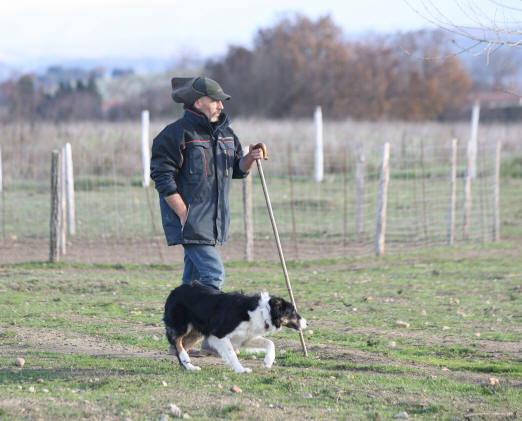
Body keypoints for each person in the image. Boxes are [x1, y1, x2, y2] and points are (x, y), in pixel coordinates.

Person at [150, 76, 266, 355]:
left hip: (214, 220)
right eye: (214, 100)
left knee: (192, 285)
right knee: (213, 276)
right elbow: (161, 175)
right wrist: (182, 211)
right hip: (189, 219)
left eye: (221, 100)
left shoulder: (226, 133)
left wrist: (250, 157)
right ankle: (210, 340)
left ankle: (178, 340)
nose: (219, 105)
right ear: (197, 102)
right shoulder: (175, 134)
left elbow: (236, 168)